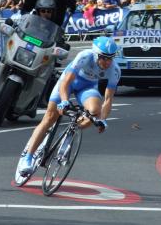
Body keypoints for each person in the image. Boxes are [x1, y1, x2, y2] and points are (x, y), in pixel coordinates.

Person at [19, 36, 121, 175]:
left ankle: (71, 130)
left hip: (87, 88)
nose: (107, 62)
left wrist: (102, 119)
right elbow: (66, 82)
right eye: (103, 57)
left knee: (95, 112)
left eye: (111, 58)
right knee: (49, 118)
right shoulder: (84, 56)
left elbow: (108, 99)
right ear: (96, 54)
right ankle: (28, 157)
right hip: (69, 83)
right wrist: (65, 101)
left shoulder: (114, 70)